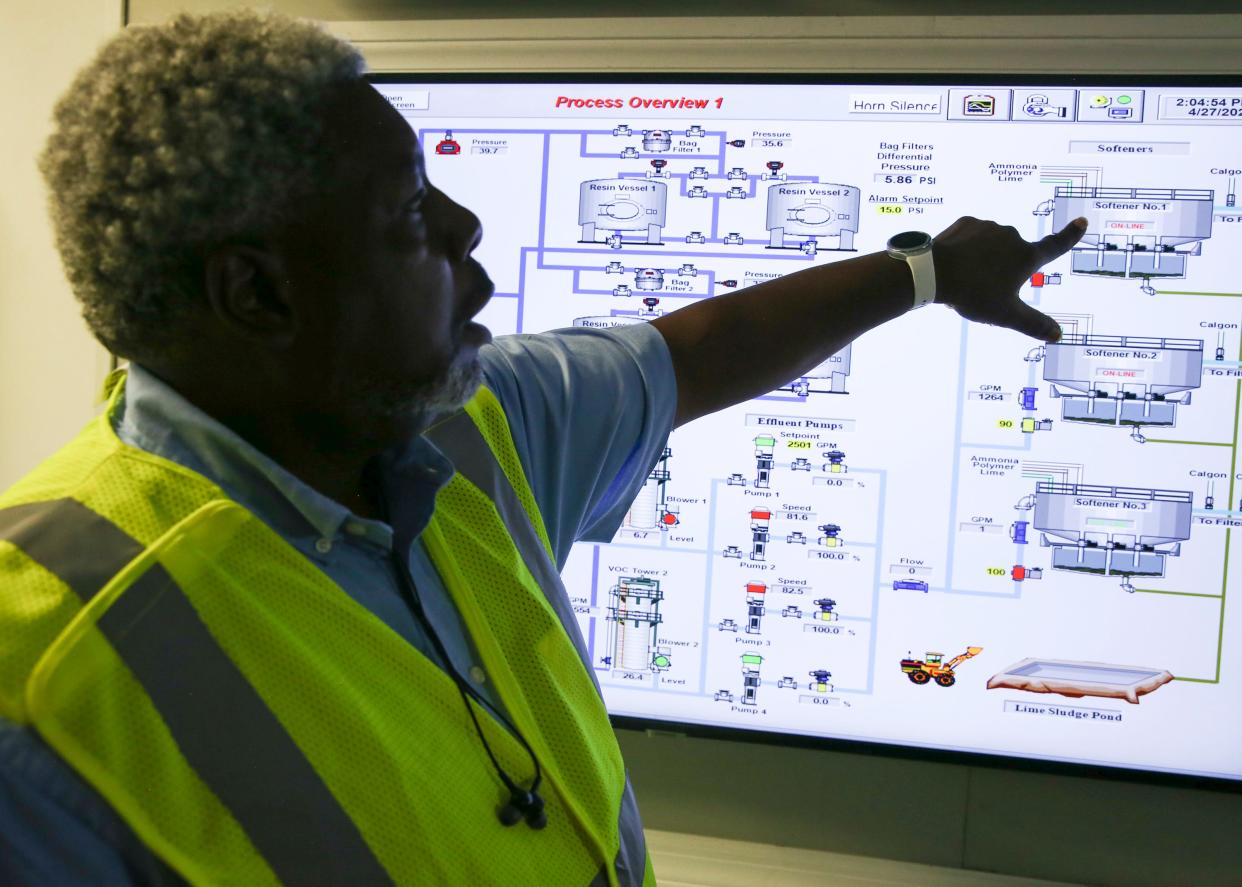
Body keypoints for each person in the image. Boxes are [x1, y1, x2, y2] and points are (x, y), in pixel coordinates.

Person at [0, 11, 1083, 887]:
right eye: (409, 209)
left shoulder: (464, 428)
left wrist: (930, 274)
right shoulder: (41, 673)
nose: (465, 227)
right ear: (261, 292)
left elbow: (704, 350)